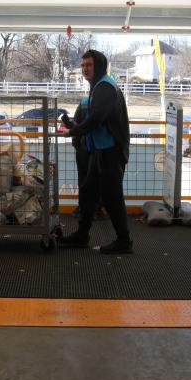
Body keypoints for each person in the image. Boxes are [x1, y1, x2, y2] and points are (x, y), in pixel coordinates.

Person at [59, 49, 132, 254]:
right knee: (89, 192)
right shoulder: (97, 87)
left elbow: (97, 118)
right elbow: (92, 117)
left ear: (99, 66)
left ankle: (124, 241)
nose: (85, 69)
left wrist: (75, 130)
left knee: (112, 196)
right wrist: (73, 125)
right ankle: (82, 235)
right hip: (100, 150)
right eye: (83, 66)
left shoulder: (106, 87)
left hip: (112, 151)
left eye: (89, 65)